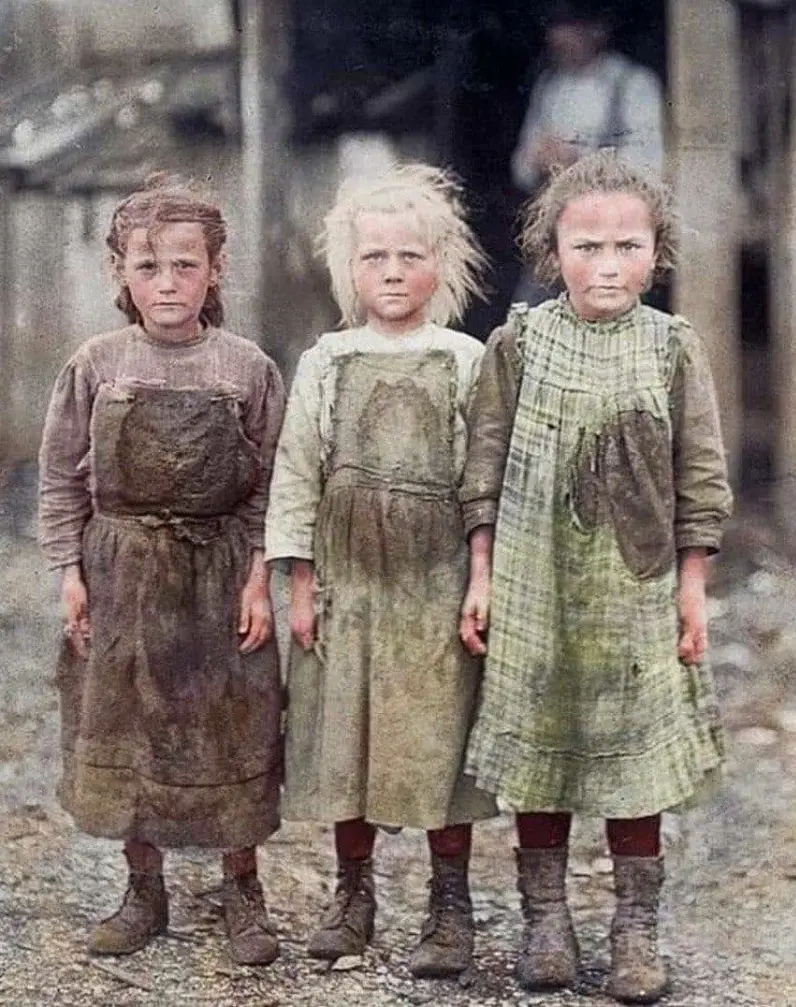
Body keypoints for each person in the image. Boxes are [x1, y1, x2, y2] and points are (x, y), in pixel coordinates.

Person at [459, 152, 732, 1003]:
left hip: (635, 589)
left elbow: (701, 479)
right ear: (553, 253)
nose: (606, 266)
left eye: (626, 247)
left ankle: (634, 927)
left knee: (632, 756)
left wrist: (691, 588)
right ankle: (546, 919)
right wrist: (482, 573)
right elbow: (482, 468)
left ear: (657, 253)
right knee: (540, 747)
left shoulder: (673, 348)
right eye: (586, 247)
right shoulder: (519, 344)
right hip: (535, 581)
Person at [38, 175, 286, 966]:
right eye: (148, 267)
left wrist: (259, 578)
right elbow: (60, 478)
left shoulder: (247, 368)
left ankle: (242, 888)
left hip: (219, 573)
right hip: (123, 572)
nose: (168, 283)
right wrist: (70, 572)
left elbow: (272, 486)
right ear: (120, 272)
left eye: (186, 265)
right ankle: (143, 888)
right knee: (127, 722)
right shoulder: (96, 363)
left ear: (216, 269)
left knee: (232, 723)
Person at [264, 163, 497, 978]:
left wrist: (480, 576)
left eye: (410, 255)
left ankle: (450, 902)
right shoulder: (327, 360)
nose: (392, 272)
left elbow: (483, 479)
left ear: (443, 264)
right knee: (347, 737)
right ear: (348, 268)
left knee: (437, 738)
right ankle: (352, 894)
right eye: (374, 257)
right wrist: (299, 584)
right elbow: (297, 472)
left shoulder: (466, 359)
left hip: (434, 587)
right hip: (348, 586)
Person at [510, 0, 664, 306]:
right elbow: (520, 169)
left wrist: (577, 161)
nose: (558, 37)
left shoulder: (633, 85)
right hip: (557, 235)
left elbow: (650, 166)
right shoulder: (550, 86)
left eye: (569, 26)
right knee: (533, 319)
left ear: (598, 30)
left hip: (614, 235)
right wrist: (537, 157)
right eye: (554, 27)